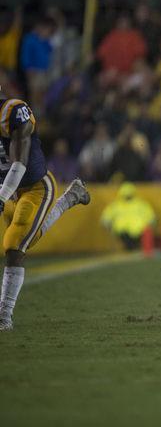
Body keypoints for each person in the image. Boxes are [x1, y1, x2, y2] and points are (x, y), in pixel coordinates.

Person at [0, 93, 90, 331]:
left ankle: (4, 316)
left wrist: (1, 196)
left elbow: (20, 163)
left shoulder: (13, 111)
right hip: (9, 191)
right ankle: (69, 199)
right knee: (24, 241)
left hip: (35, 187)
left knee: (14, 245)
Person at [101, 182, 155, 250]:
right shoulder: (117, 205)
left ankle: (131, 246)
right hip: (123, 233)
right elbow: (105, 219)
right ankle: (130, 246)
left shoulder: (140, 204)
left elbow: (151, 219)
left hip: (137, 233)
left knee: (130, 243)